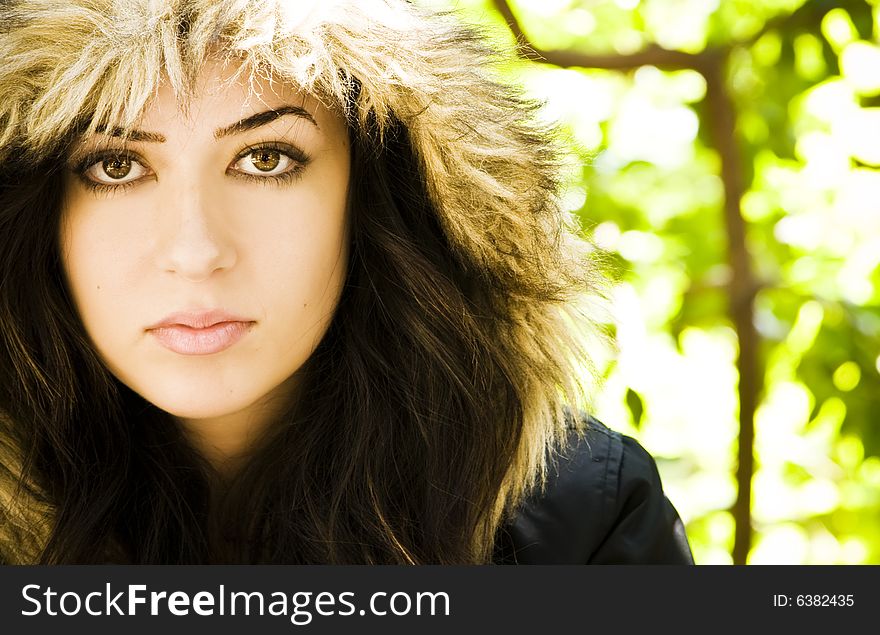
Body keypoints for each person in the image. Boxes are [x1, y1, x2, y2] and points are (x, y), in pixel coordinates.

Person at [0, 0, 693, 565]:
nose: (195, 250)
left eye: (265, 157)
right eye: (116, 165)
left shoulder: (583, 520)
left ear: (374, 193)